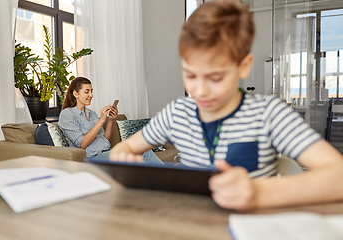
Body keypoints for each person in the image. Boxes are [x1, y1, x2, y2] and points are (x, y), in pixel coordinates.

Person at [109, 0, 343, 210]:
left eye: (215, 78)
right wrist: (122, 156)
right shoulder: (177, 113)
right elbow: (124, 149)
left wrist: (259, 193)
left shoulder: (269, 113)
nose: (199, 91)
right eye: (190, 75)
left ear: (243, 65)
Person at [58, 77, 163, 164]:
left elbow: (105, 140)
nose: (91, 95)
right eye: (87, 92)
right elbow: (82, 144)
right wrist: (101, 120)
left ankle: (171, 179)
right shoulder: (67, 114)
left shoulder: (92, 114)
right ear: (76, 94)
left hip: (106, 152)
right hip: (90, 157)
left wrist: (111, 120)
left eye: (91, 91)